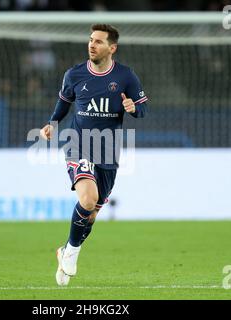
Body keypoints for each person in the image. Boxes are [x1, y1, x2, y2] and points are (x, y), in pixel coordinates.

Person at [39, 24, 148, 286]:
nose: (92, 45)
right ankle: (73, 254)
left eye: (98, 42)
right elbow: (64, 103)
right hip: (78, 144)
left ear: (112, 48)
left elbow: (143, 111)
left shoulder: (126, 77)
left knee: (92, 213)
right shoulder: (74, 74)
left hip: (108, 151)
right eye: (90, 40)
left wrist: (132, 108)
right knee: (88, 199)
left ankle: (65, 249)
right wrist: (52, 123)